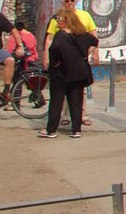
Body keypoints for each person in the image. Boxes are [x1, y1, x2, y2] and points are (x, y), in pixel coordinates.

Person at [39, 8, 97, 138]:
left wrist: (55, 62)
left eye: (58, 19)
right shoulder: (82, 34)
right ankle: (76, 130)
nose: (57, 21)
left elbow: (54, 50)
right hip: (79, 72)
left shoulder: (61, 35)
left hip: (62, 72)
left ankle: (51, 130)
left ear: (66, 21)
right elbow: (95, 42)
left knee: (56, 101)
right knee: (76, 101)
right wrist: (83, 55)